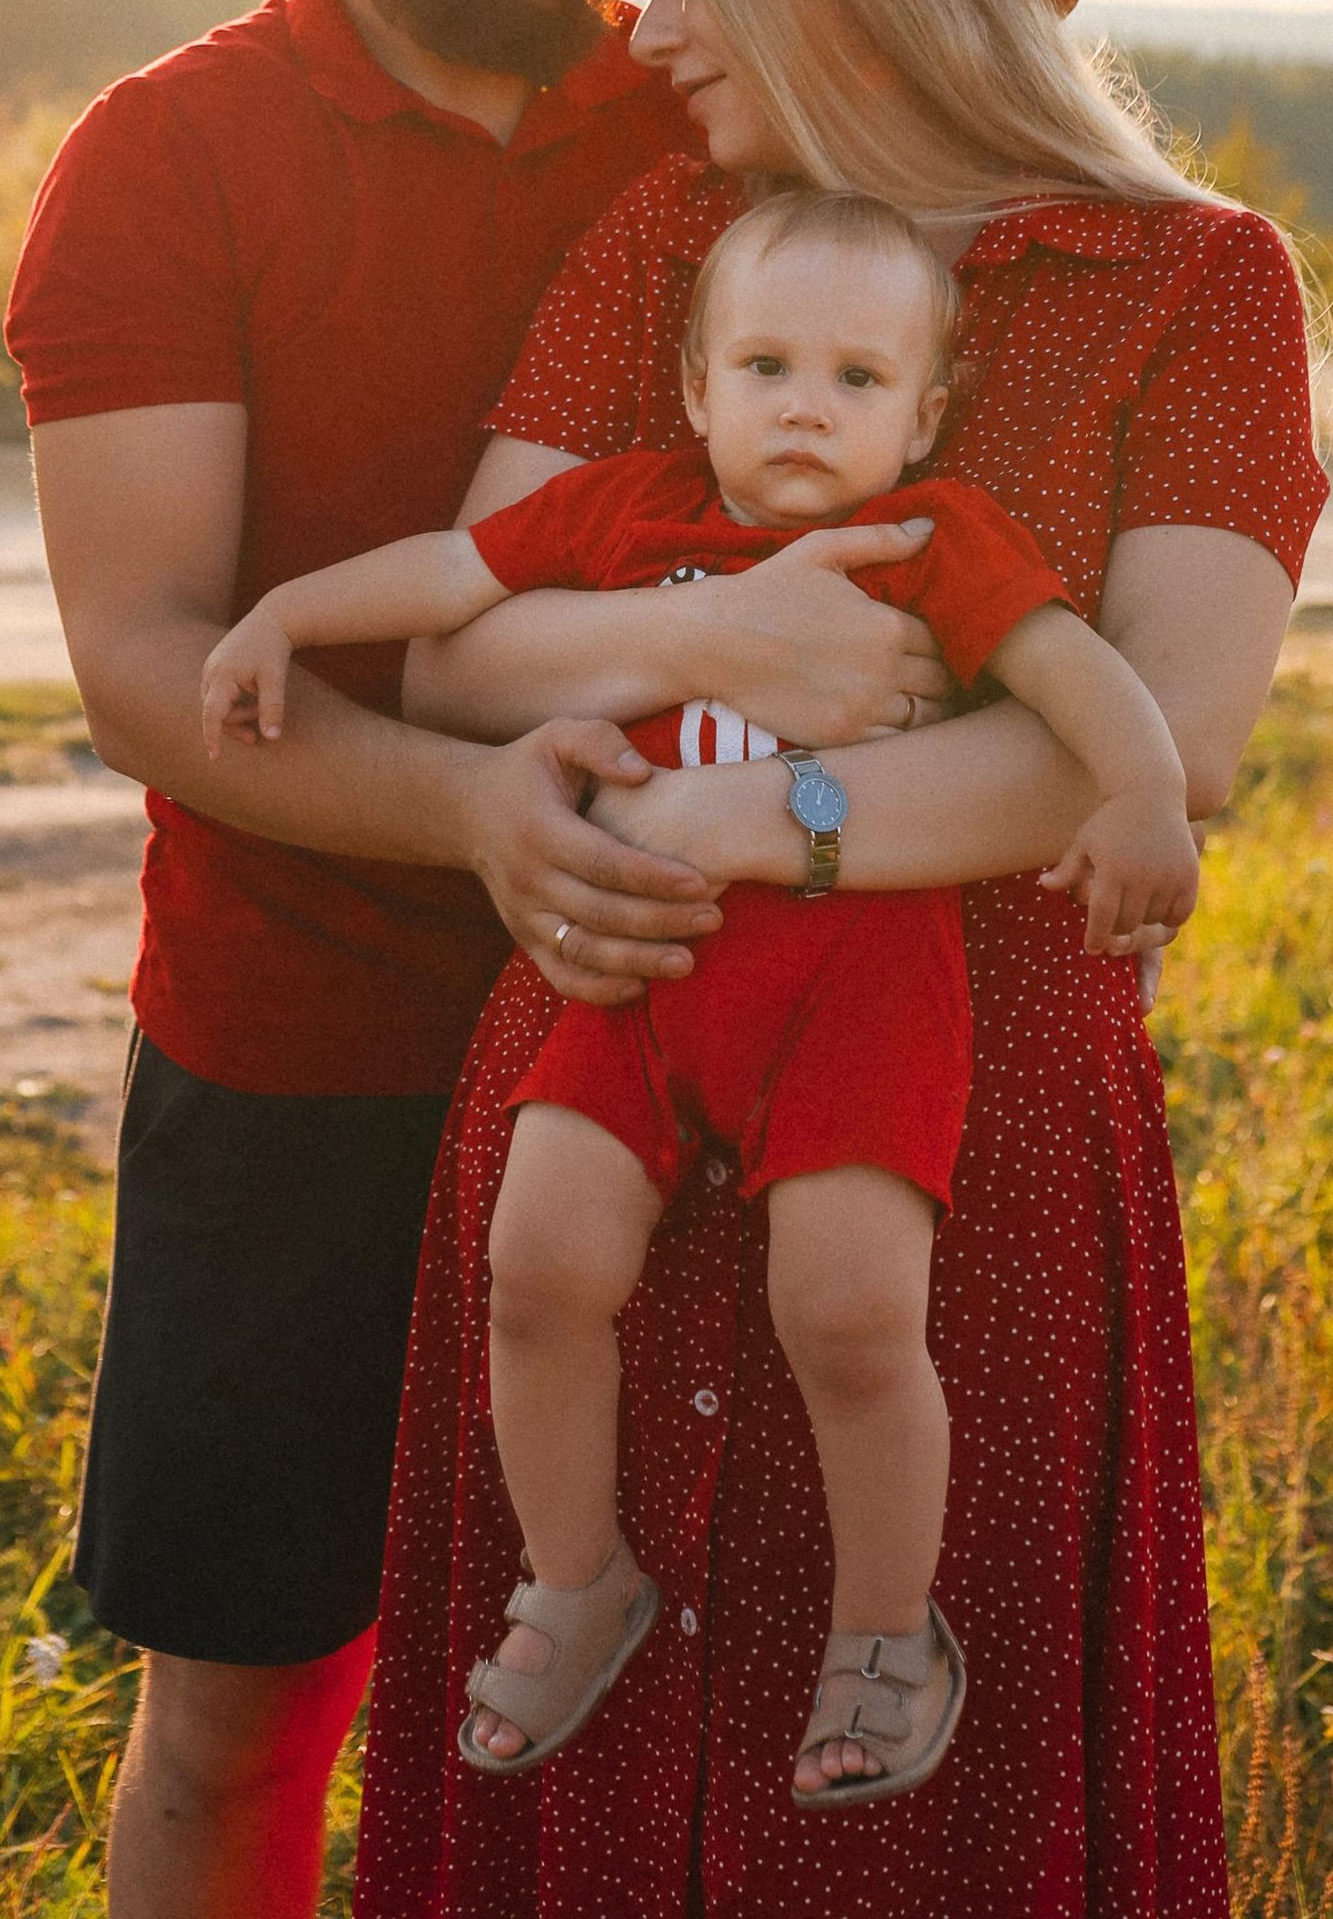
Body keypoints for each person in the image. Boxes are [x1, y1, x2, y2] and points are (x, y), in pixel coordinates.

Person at [7, 0, 961, 1919]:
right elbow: (144, 658)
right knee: (249, 1704)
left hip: (696, 1023)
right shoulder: (165, 158)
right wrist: (465, 808)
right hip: (305, 1039)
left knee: (653, 1737)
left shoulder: (702, 118)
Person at [354, 0, 1329, 1919]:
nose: (653, 17)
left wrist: (758, 815)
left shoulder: (1193, 288)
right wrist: (727, 645)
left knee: (907, 1830)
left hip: (955, 1144)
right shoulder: (663, 249)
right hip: (605, 1078)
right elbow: (457, 653)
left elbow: (1162, 734)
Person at [202, 178, 1200, 1813]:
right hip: (641, 970)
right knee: (537, 1265)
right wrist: (285, 613)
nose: (807, 403)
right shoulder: (627, 516)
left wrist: (1144, 794)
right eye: (768, 365)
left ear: (926, 413)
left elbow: (1081, 675)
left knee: (852, 1307)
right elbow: (453, 580)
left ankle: (888, 1635)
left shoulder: (929, 541)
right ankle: (579, 1579)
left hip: (857, 989)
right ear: (697, 385)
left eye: (860, 380)